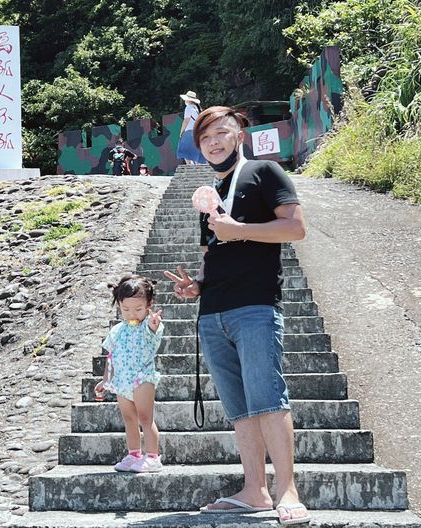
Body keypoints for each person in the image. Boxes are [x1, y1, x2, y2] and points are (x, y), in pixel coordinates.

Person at [164, 106, 311, 526]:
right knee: (240, 408)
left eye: (221, 132)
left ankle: (288, 491)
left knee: (268, 399)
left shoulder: (264, 173)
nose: (212, 141)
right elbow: (214, 252)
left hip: (255, 307)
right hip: (213, 312)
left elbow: (295, 228)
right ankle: (255, 490)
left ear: (239, 135)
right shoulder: (210, 193)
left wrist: (241, 229)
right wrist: (198, 286)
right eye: (204, 136)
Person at [94, 275, 165, 473]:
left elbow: (154, 328)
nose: (132, 313)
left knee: (145, 418)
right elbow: (110, 357)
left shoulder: (147, 326)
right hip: (121, 381)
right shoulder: (117, 330)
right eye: (125, 309)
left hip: (142, 377)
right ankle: (134, 454)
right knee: (129, 419)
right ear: (119, 305)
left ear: (149, 305)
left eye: (138, 309)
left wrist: (153, 322)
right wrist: (105, 380)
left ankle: (152, 456)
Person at [176, 90, 207, 165]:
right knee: (194, 150)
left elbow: (186, 120)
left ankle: (190, 167)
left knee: (184, 151)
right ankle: (195, 166)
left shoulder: (189, 107)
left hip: (189, 131)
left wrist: (181, 132)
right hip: (196, 131)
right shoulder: (197, 109)